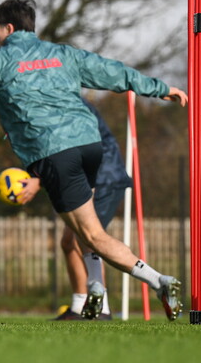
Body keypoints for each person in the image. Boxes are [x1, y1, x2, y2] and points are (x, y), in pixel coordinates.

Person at [0, 0, 188, 321]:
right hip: (90, 145)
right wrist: (160, 88)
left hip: (54, 153)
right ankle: (95, 288)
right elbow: (110, 71)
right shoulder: (61, 53)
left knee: (92, 234)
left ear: (9, 28)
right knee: (79, 229)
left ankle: (159, 281)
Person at [18, 98, 132, 320]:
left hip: (104, 179)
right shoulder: (53, 104)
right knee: (70, 242)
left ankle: (102, 309)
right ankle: (80, 306)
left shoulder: (69, 105)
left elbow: (72, 150)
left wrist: (38, 180)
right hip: (90, 178)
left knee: (90, 239)